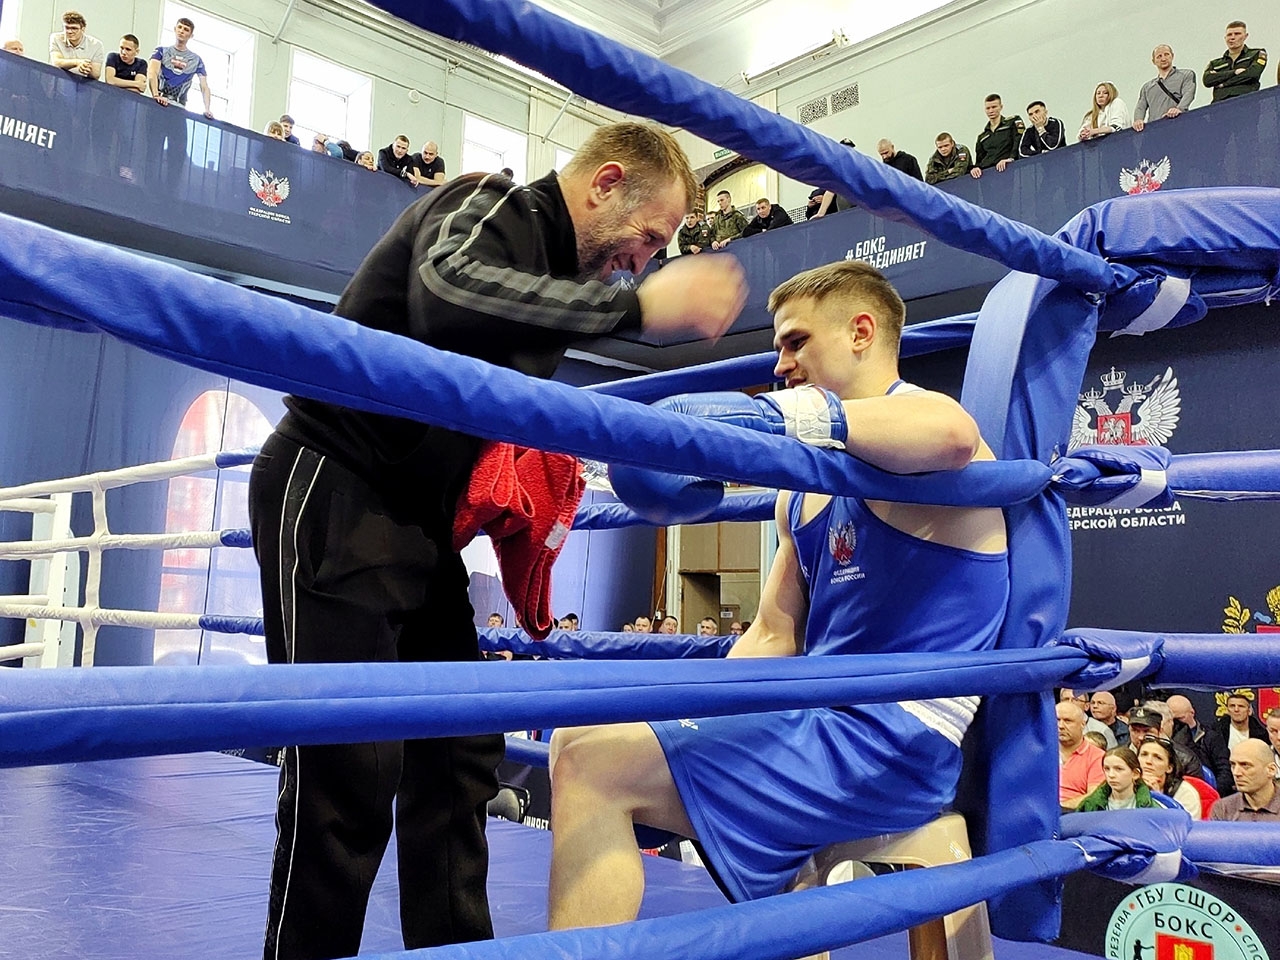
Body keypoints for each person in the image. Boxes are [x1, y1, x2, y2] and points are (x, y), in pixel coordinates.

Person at [246, 122, 746, 960]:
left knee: (459, 754)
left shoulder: (557, 282)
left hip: (420, 524)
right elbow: (447, 290)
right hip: (335, 482)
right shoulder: (489, 202)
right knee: (346, 772)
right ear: (604, 183)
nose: (647, 259)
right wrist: (637, 310)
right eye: (649, 235)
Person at [546, 259, 1008, 920]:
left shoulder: (930, 431)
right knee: (575, 738)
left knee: (593, 765)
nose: (781, 364)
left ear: (861, 332)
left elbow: (953, 436)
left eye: (797, 342)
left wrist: (766, 417)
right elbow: (772, 634)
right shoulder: (802, 489)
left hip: (898, 741)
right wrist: (688, 705)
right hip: (815, 719)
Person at [149, 17, 213, 118]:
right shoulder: (161, 51)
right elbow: (152, 72)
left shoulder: (196, 60)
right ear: (175, 29)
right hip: (158, 102)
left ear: (191, 35)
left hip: (180, 107)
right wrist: (155, 95)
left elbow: (204, 86)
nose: (181, 31)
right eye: (179, 27)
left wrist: (207, 109)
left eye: (186, 29)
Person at [1168, 694, 1232, 792]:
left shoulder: (1211, 737)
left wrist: (1212, 792)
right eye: (1172, 720)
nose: (1176, 724)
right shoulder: (1165, 739)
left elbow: (1225, 770)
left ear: (1192, 712)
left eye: (1180, 719)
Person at [1209, 740, 1279, 821]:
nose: (1236, 773)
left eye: (1245, 765)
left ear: (1271, 770)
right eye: (1233, 765)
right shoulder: (1223, 808)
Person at [1132, 45, 1196, 132]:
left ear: (1172, 56)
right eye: (1159, 56)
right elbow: (1141, 106)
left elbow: (1189, 94)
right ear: (1153, 61)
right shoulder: (1147, 87)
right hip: (1155, 130)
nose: (1163, 59)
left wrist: (1179, 109)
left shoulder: (1186, 75)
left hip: (1179, 124)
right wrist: (1138, 120)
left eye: (1166, 54)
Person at [1076, 747, 1160, 811]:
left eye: (1119, 769)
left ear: (1135, 774)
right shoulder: (1090, 805)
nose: (1111, 775)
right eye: (1107, 769)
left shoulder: (1151, 807)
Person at [1203, 21, 1267, 103]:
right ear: (1225, 38)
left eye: (1237, 34)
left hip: (1247, 102)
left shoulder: (1257, 53)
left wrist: (1224, 84)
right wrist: (1234, 72)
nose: (1232, 37)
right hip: (1220, 105)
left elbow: (1253, 73)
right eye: (1229, 35)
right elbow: (1207, 80)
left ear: (1245, 36)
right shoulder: (1215, 63)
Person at [1136, 737, 1201, 817]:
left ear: (1169, 768)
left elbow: (1183, 824)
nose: (1148, 761)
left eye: (1158, 758)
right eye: (1144, 755)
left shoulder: (1186, 793)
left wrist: (1157, 797)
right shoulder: (1125, 784)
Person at [1059, 700, 1105, 809]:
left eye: (1068, 721)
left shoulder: (1098, 756)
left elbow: (1094, 797)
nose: (1060, 725)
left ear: (1083, 724)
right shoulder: (1040, 754)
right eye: (1057, 720)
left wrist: (1059, 807)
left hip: (1075, 814)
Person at [971, 94, 1023, 178]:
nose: (991, 111)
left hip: (1008, 170)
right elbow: (979, 159)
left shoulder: (1012, 122)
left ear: (1001, 107)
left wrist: (1011, 158)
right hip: (987, 175)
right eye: (988, 108)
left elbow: (1019, 140)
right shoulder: (982, 137)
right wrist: (975, 168)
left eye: (994, 107)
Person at [48, 11, 103, 80]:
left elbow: (96, 75)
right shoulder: (56, 38)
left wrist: (86, 67)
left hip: (82, 83)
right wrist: (77, 62)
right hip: (59, 80)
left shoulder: (96, 45)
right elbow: (56, 62)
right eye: (67, 28)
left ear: (83, 29)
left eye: (74, 28)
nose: (70, 31)